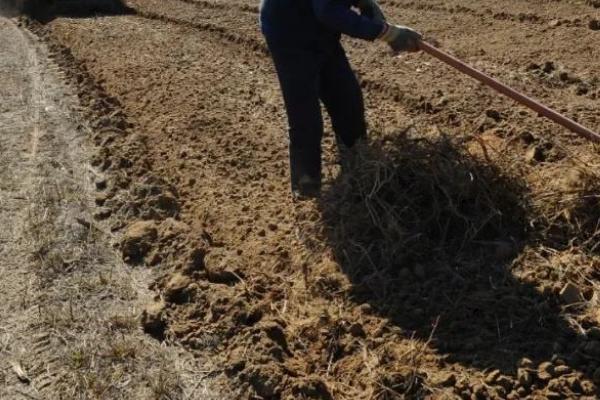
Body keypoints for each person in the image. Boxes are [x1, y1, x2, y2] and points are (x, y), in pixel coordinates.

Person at [260, 0, 421, 199]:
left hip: (321, 32)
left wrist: (363, 3)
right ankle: (306, 186)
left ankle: (358, 168)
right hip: (289, 33)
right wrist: (387, 33)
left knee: (348, 99)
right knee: (305, 112)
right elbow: (328, 11)